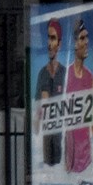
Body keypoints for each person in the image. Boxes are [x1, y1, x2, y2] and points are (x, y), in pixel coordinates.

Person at [65, 18, 93, 175]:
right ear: (74, 44)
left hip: (87, 161)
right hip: (68, 162)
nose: (87, 42)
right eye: (82, 38)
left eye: (87, 37)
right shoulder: (66, 76)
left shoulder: (91, 79)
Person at [36, 18, 68, 169]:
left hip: (62, 137)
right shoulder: (42, 73)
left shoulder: (65, 73)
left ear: (59, 44)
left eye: (53, 38)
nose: (49, 43)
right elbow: (37, 108)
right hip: (46, 136)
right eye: (48, 38)